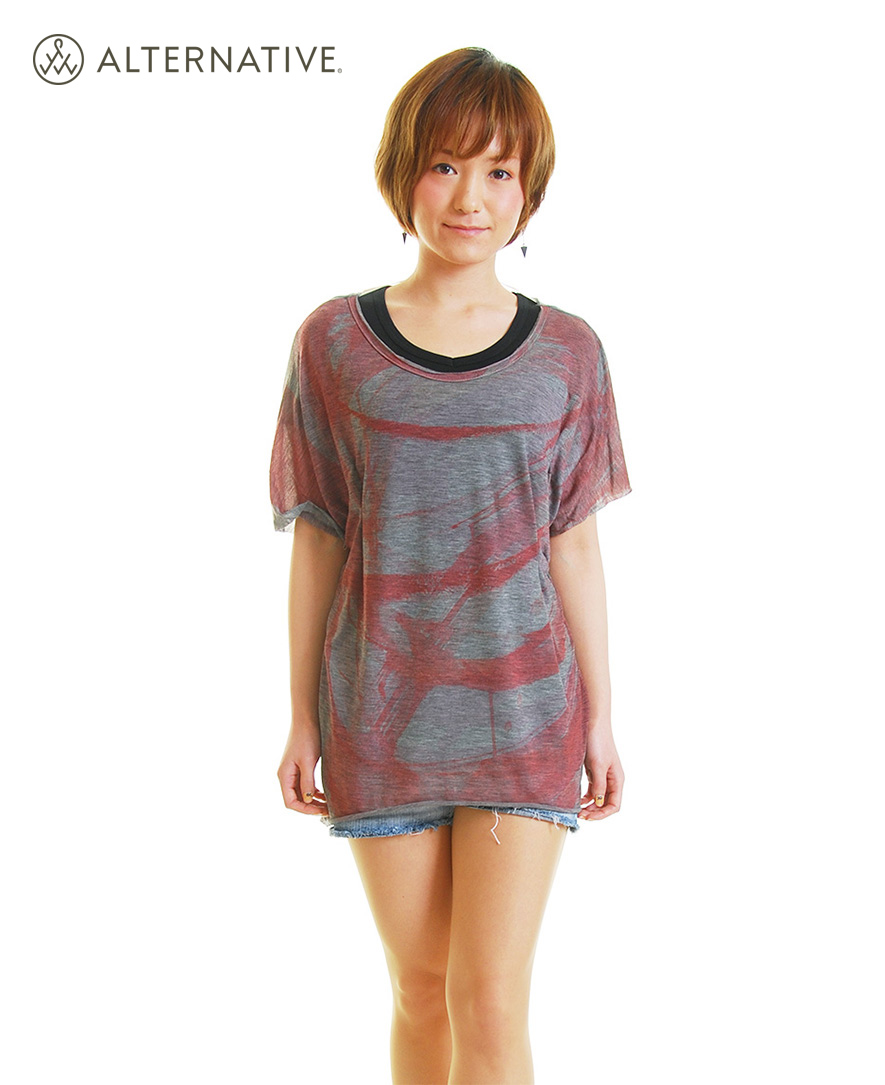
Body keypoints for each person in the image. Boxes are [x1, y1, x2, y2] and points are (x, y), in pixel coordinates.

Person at [270, 46, 632, 1084]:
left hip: (526, 711)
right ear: (403, 174)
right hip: (379, 706)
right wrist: (300, 715)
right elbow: (319, 534)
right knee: (419, 987)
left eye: (498, 171)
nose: (470, 197)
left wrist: (601, 716)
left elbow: (573, 539)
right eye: (443, 165)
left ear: (528, 191)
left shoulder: (569, 351)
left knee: (489, 996)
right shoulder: (333, 343)